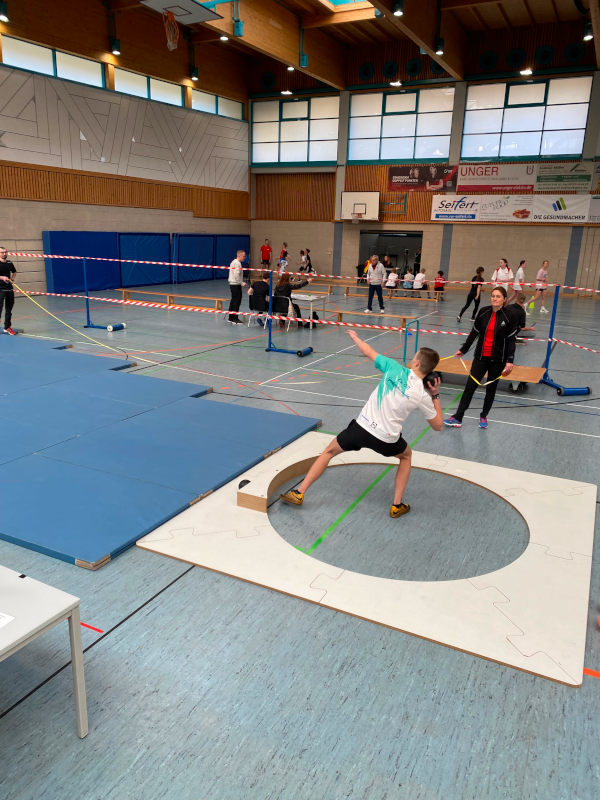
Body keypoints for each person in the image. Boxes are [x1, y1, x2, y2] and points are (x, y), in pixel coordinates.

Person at [279, 332, 443, 518]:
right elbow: (438, 425)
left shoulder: (393, 368)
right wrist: (435, 395)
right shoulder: (422, 395)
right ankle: (397, 505)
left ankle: (299, 493)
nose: (411, 360)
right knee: (406, 456)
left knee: (329, 452)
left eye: (414, 358)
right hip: (386, 440)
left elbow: (368, 351)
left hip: (360, 430)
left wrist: (356, 338)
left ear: (417, 363)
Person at [444, 286, 516, 430]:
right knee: (470, 387)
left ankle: (484, 416)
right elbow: (474, 333)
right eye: (493, 296)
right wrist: (463, 349)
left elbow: (511, 340)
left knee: (491, 389)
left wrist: (510, 360)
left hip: (498, 360)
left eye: (498, 296)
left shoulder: (509, 315)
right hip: (480, 358)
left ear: (504, 299)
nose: (495, 298)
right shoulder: (483, 312)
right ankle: (458, 417)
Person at [0, 246, 17, 335]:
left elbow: (14, 271)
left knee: (9, 309)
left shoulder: (9, 263)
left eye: (5, 252)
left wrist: (12, 279)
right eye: (2, 252)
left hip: (9, 289)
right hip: (0, 289)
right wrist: (1, 277)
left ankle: (7, 327)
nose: (4, 254)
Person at [228, 249, 246, 325]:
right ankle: (235, 318)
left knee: (233, 300)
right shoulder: (237, 263)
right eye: (243, 256)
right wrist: (241, 282)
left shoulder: (233, 262)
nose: (244, 257)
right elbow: (236, 275)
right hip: (236, 284)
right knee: (236, 301)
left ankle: (230, 318)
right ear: (239, 255)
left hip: (232, 284)